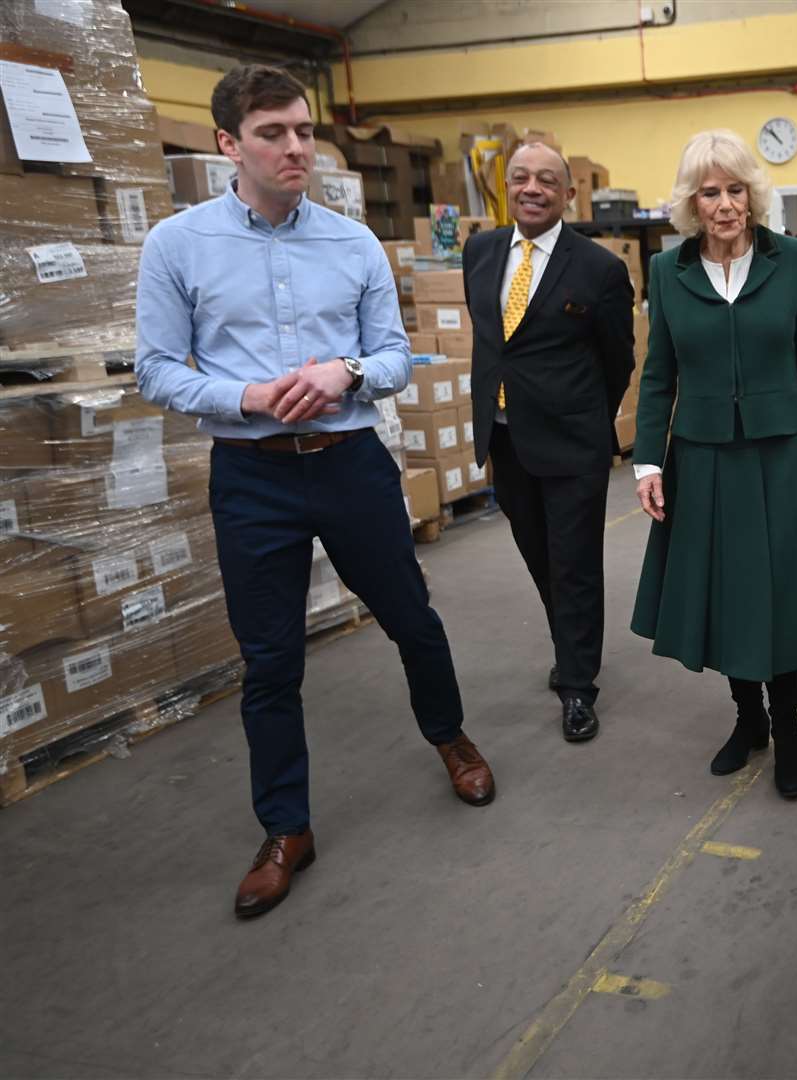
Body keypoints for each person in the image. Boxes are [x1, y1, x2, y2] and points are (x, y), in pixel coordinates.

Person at [134, 65, 494, 920]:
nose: (295, 146)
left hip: (350, 463)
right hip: (252, 476)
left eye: (302, 129)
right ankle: (286, 829)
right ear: (230, 144)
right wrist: (248, 397)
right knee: (270, 659)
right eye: (273, 133)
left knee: (412, 616)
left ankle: (450, 738)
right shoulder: (177, 246)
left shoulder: (353, 243)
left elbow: (398, 358)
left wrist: (348, 370)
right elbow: (153, 369)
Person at [630, 130, 797, 800]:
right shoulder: (670, 272)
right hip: (702, 455)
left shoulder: (792, 261)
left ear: (753, 192)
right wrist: (645, 463)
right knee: (725, 593)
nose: (725, 204)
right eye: (711, 191)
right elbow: (658, 373)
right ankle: (747, 719)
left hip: (780, 450)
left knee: (778, 592)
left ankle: (786, 725)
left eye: (735, 188)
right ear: (693, 202)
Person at [463, 141, 635, 744]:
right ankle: (570, 644)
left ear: (568, 193)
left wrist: (589, 422)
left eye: (545, 180)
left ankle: (579, 687)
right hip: (506, 439)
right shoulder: (480, 253)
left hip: (571, 444)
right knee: (540, 557)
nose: (531, 188)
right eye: (520, 178)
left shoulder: (599, 269)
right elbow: (493, 344)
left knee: (576, 565)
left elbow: (618, 360)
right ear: (507, 188)